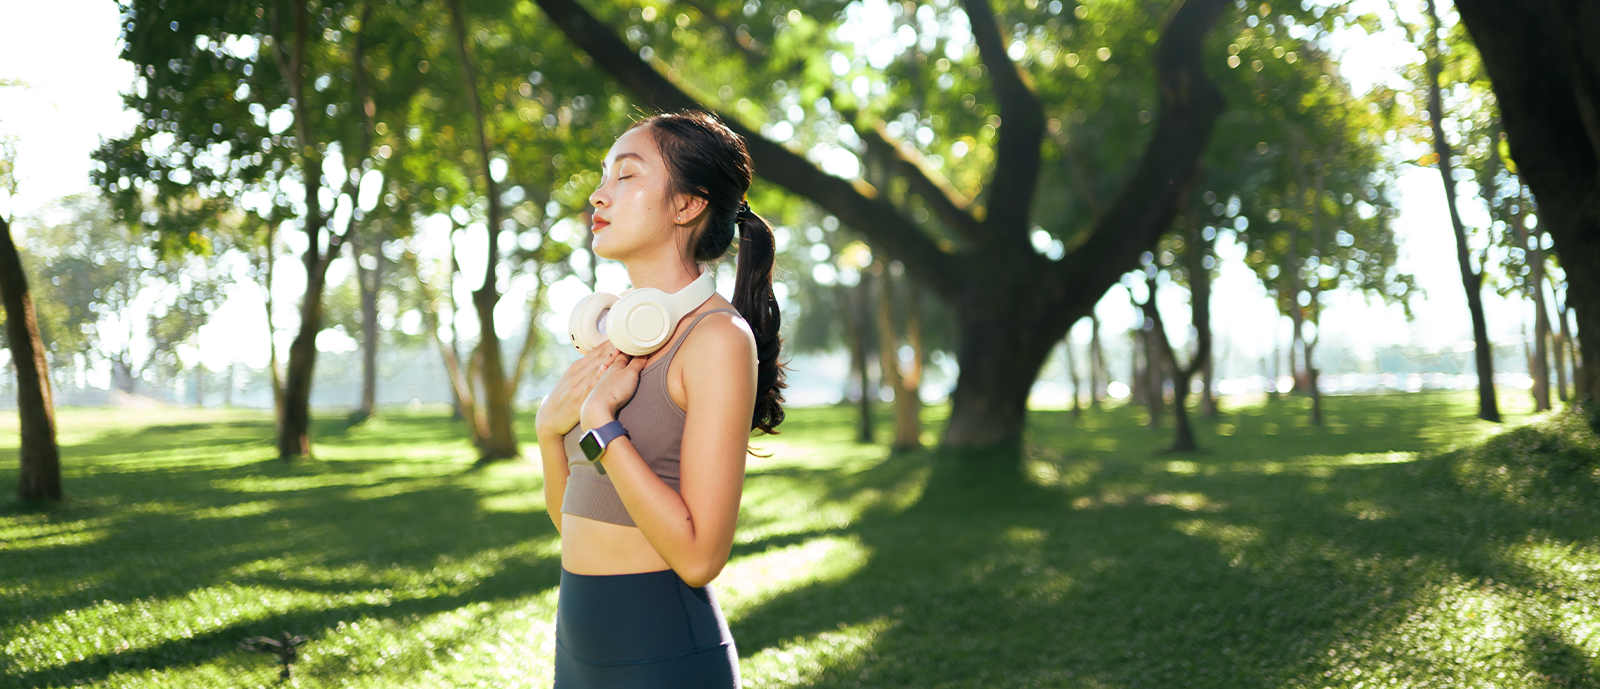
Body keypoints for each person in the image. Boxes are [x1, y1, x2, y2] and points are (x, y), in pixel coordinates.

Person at [533, 110, 786, 687]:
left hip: (663, 656)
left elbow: (699, 559)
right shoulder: (616, 337)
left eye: (626, 175)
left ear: (687, 205)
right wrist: (550, 431)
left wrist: (601, 424)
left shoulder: (717, 339)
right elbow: (573, 522)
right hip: (577, 654)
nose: (598, 194)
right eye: (604, 175)